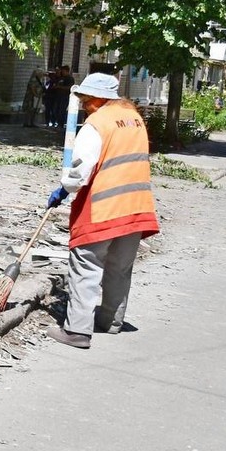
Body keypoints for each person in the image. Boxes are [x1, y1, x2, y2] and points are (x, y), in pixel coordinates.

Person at [44, 72, 160, 349]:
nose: (84, 104)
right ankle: (110, 321)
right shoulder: (134, 120)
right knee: (120, 268)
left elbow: (81, 170)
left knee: (86, 265)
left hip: (104, 207)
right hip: (136, 206)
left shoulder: (96, 124)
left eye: (86, 99)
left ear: (100, 98)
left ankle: (77, 331)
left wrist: (63, 189)